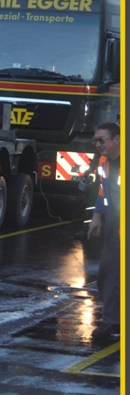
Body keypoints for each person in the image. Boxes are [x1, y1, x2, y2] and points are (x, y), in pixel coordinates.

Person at [87, 122, 120, 342]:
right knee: (107, 275)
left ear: (117, 139)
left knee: (113, 276)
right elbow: (103, 189)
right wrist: (97, 216)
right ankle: (113, 321)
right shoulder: (104, 162)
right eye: (95, 140)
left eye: (102, 140)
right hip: (115, 230)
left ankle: (112, 322)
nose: (98, 144)